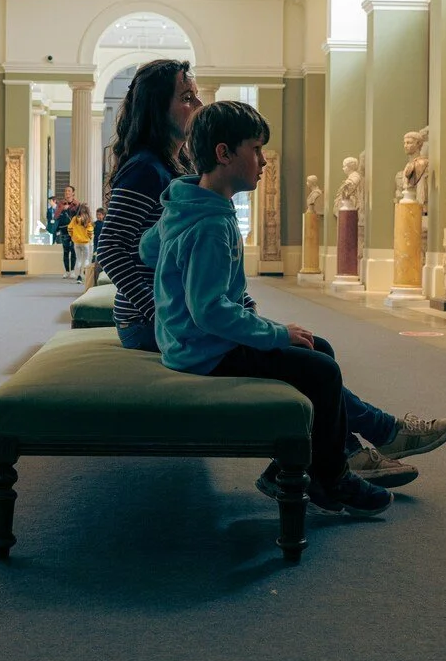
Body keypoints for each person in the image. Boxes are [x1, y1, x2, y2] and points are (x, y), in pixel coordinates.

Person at [94, 59, 446, 492]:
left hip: (177, 315)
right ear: (157, 107)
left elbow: (173, 254)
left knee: (308, 350)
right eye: (186, 98)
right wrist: (163, 311)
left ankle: (353, 444)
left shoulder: (176, 171)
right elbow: (113, 250)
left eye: (196, 96)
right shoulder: (146, 168)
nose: (197, 104)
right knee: (305, 362)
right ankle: (361, 444)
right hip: (146, 322)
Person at [142, 102, 390, 515]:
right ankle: (333, 478)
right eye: (256, 150)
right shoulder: (211, 224)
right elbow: (210, 311)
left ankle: (287, 469)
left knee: (318, 349)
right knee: (323, 370)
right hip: (206, 350)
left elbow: (147, 249)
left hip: (186, 342)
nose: (263, 162)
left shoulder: (185, 205)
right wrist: (276, 333)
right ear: (224, 154)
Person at [55, 185, 80, 277]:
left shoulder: (77, 204)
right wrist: (62, 208)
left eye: (69, 191)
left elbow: (80, 216)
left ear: (73, 193)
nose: (67, 193)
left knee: (73, 250)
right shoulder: (61, 203)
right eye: (66, 191)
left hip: (75, 230)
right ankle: (67, 271)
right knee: (66, 251)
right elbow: (56, 216)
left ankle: (73, 271)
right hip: (64, 229)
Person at [67, 202, 94, 281]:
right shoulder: (87, 219)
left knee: (78, 259)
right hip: (85, 242)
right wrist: (89, 237)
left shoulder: (74, 218)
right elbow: (90, 231)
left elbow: (69, 228)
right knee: (86, 259)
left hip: (76, 242)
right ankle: (84, 275)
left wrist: (72, 236)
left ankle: (78, 276)